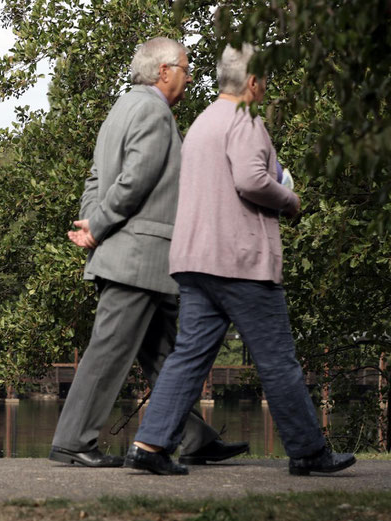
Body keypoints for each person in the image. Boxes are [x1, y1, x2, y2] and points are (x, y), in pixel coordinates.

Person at [125, 44, 356, 476]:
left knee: (188, 355)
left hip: (194, 261)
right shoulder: (247, 119)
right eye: (265, 81)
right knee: (277, 358)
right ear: (252, 83)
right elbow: (251, 180)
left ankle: (149, 445)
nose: (266, 88)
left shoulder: (202, 123)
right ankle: (308, 451)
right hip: (240, 262)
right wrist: (289, 199)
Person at [49, 37, 249, 468]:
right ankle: (72, 441)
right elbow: (134, 181)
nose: (189, 76)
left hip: (139, 259)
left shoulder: (121, 108)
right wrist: (98, 228)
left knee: (166, 356)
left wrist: (91, 225)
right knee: (108, 353)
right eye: (185, 67)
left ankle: (195, 437)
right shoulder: (155, 112)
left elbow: (96, 179)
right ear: (163, 71)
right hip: (137, 260)